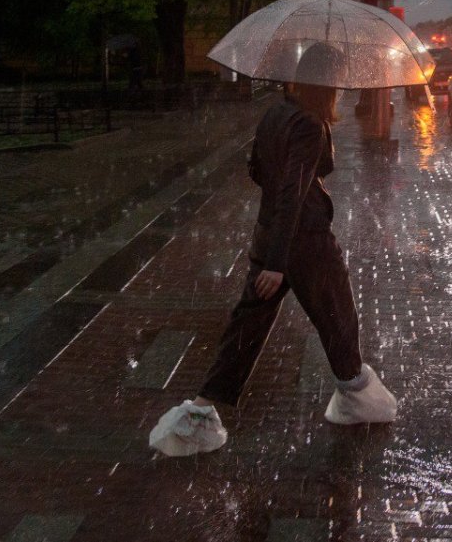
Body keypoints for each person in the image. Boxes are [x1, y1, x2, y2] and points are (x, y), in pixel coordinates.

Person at [149, 43, 397, 457]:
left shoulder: (277, 111)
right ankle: (356, 395)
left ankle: (198, 414)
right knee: (338, 315)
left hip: (271, 237)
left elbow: (259, 171)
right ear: (327, 82)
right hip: (304, 242)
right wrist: (281, 263)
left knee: (246, 329)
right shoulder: (307, 124)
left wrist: (274, 251)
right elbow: (291, 193)